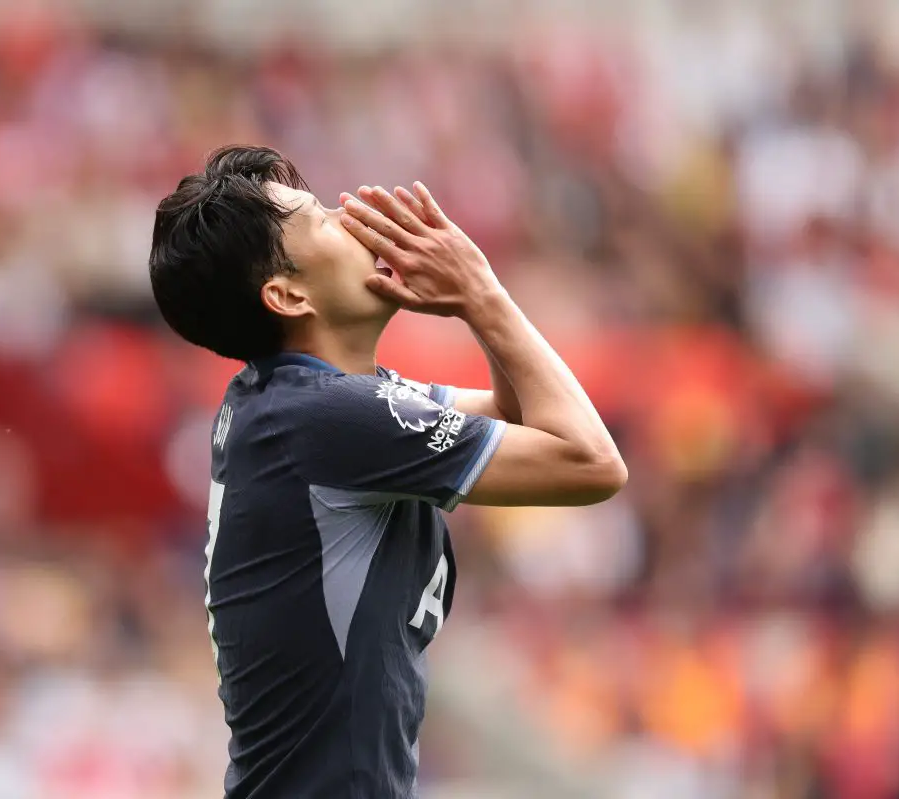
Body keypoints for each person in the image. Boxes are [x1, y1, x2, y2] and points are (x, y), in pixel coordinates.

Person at [148, 145, 627, 798]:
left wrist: (471, 301)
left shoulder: (305, 406)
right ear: (286, 294)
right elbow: (591, 461)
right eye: (318, 220)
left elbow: (524, 414)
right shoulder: (322, 420)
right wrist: (482, 295)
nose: (348, 220)